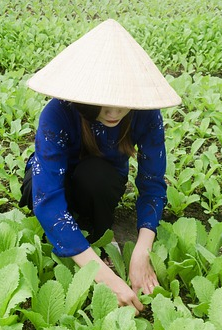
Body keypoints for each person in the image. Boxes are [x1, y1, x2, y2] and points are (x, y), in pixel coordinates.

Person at [19, 19, 181, 314]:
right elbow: (47, 197)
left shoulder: (145, 115)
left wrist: (142, 250)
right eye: (103, 102)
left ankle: (98, 233)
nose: (114, 112)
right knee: (34, 190)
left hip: (99, 182)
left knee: (96, 177)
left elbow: (153, 183)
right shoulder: (58, 113)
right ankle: (76, 242)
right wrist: (104, 276)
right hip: (53, 181)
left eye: (122, 102)